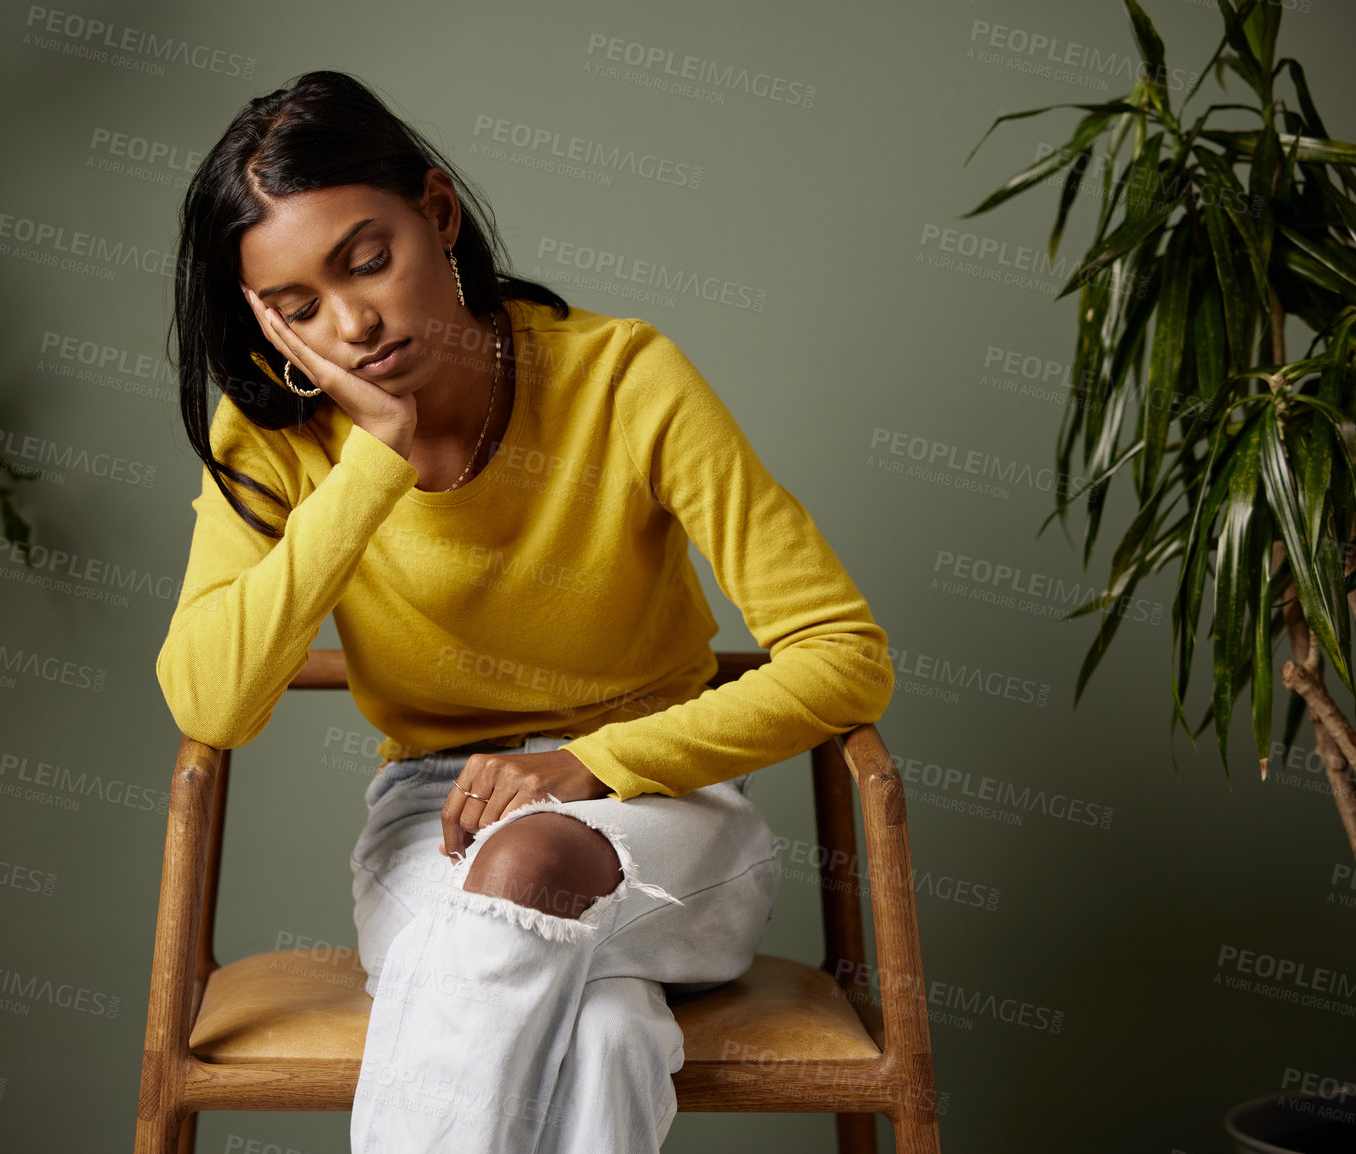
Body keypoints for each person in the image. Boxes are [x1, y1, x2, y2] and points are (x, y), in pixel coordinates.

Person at [156, 69, 896, 1154]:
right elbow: (210, 699)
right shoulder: (276, 439)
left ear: (439, 213)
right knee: (603, 1030)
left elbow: (845, 657)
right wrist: (373, 458)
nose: (353, 322)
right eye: (299, 307)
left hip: (671, 810)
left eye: (369, 259)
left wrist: (590, 763)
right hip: (429, 823)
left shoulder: (624, 378)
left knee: (531, 859)